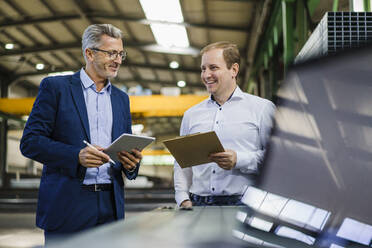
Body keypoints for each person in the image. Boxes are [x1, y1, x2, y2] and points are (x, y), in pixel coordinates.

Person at [20, 24, 142, 243]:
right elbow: (30, 142)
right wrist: (76, 156)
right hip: (68, 204)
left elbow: (125, 146)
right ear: (89, 53)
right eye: (111, 53)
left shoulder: (121, 99)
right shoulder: (56, 88)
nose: (118, 60)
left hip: (110, 206)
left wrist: (131, 163)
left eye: (120, 53)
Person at [174, 41, 275, 207]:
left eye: (213, 68)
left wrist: (239, 159)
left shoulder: (262, 109)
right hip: (199, 203)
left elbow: (276, 160)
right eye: (203, 68)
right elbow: (182, 162)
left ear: (234, 70)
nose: (206, 75)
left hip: (245, 203)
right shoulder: (191, 115)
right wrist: (182, 197)